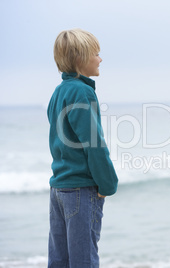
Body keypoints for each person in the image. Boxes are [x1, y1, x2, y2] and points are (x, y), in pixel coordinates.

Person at [47, 28, 118, 268]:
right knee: (83, 260)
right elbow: (93, 143)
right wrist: (108, 182)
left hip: (59, 188)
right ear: (80, 59)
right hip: (80, 189)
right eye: (95, 54)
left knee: (60, 260)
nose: (100, 59)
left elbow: (60, 142)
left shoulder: (59, 92)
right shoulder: (82, 91)